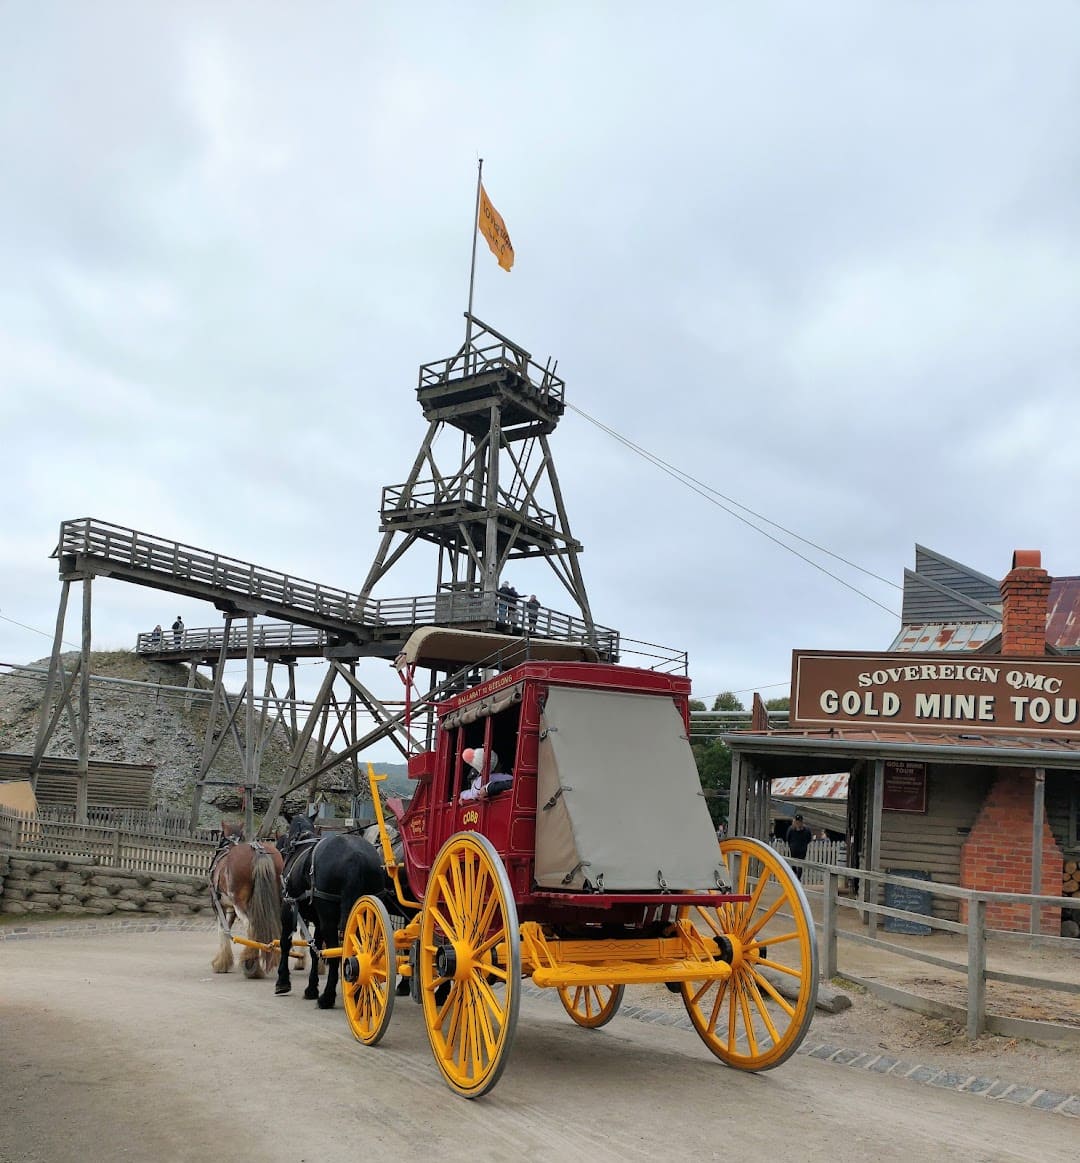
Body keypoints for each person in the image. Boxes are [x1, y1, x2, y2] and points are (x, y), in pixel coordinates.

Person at [785, 813, 811, 881]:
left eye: (799, 822)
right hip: (793, 849)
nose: (798, 823)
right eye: (797, 822)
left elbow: (809, 839)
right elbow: (787, 838)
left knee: (800, 864)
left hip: (802, 849)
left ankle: (798, 879)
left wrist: (804, 844)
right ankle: (794, 876)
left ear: (802, 822)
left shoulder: (806, 830)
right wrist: (791, 845)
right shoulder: (791, 829)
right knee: (793, 863)